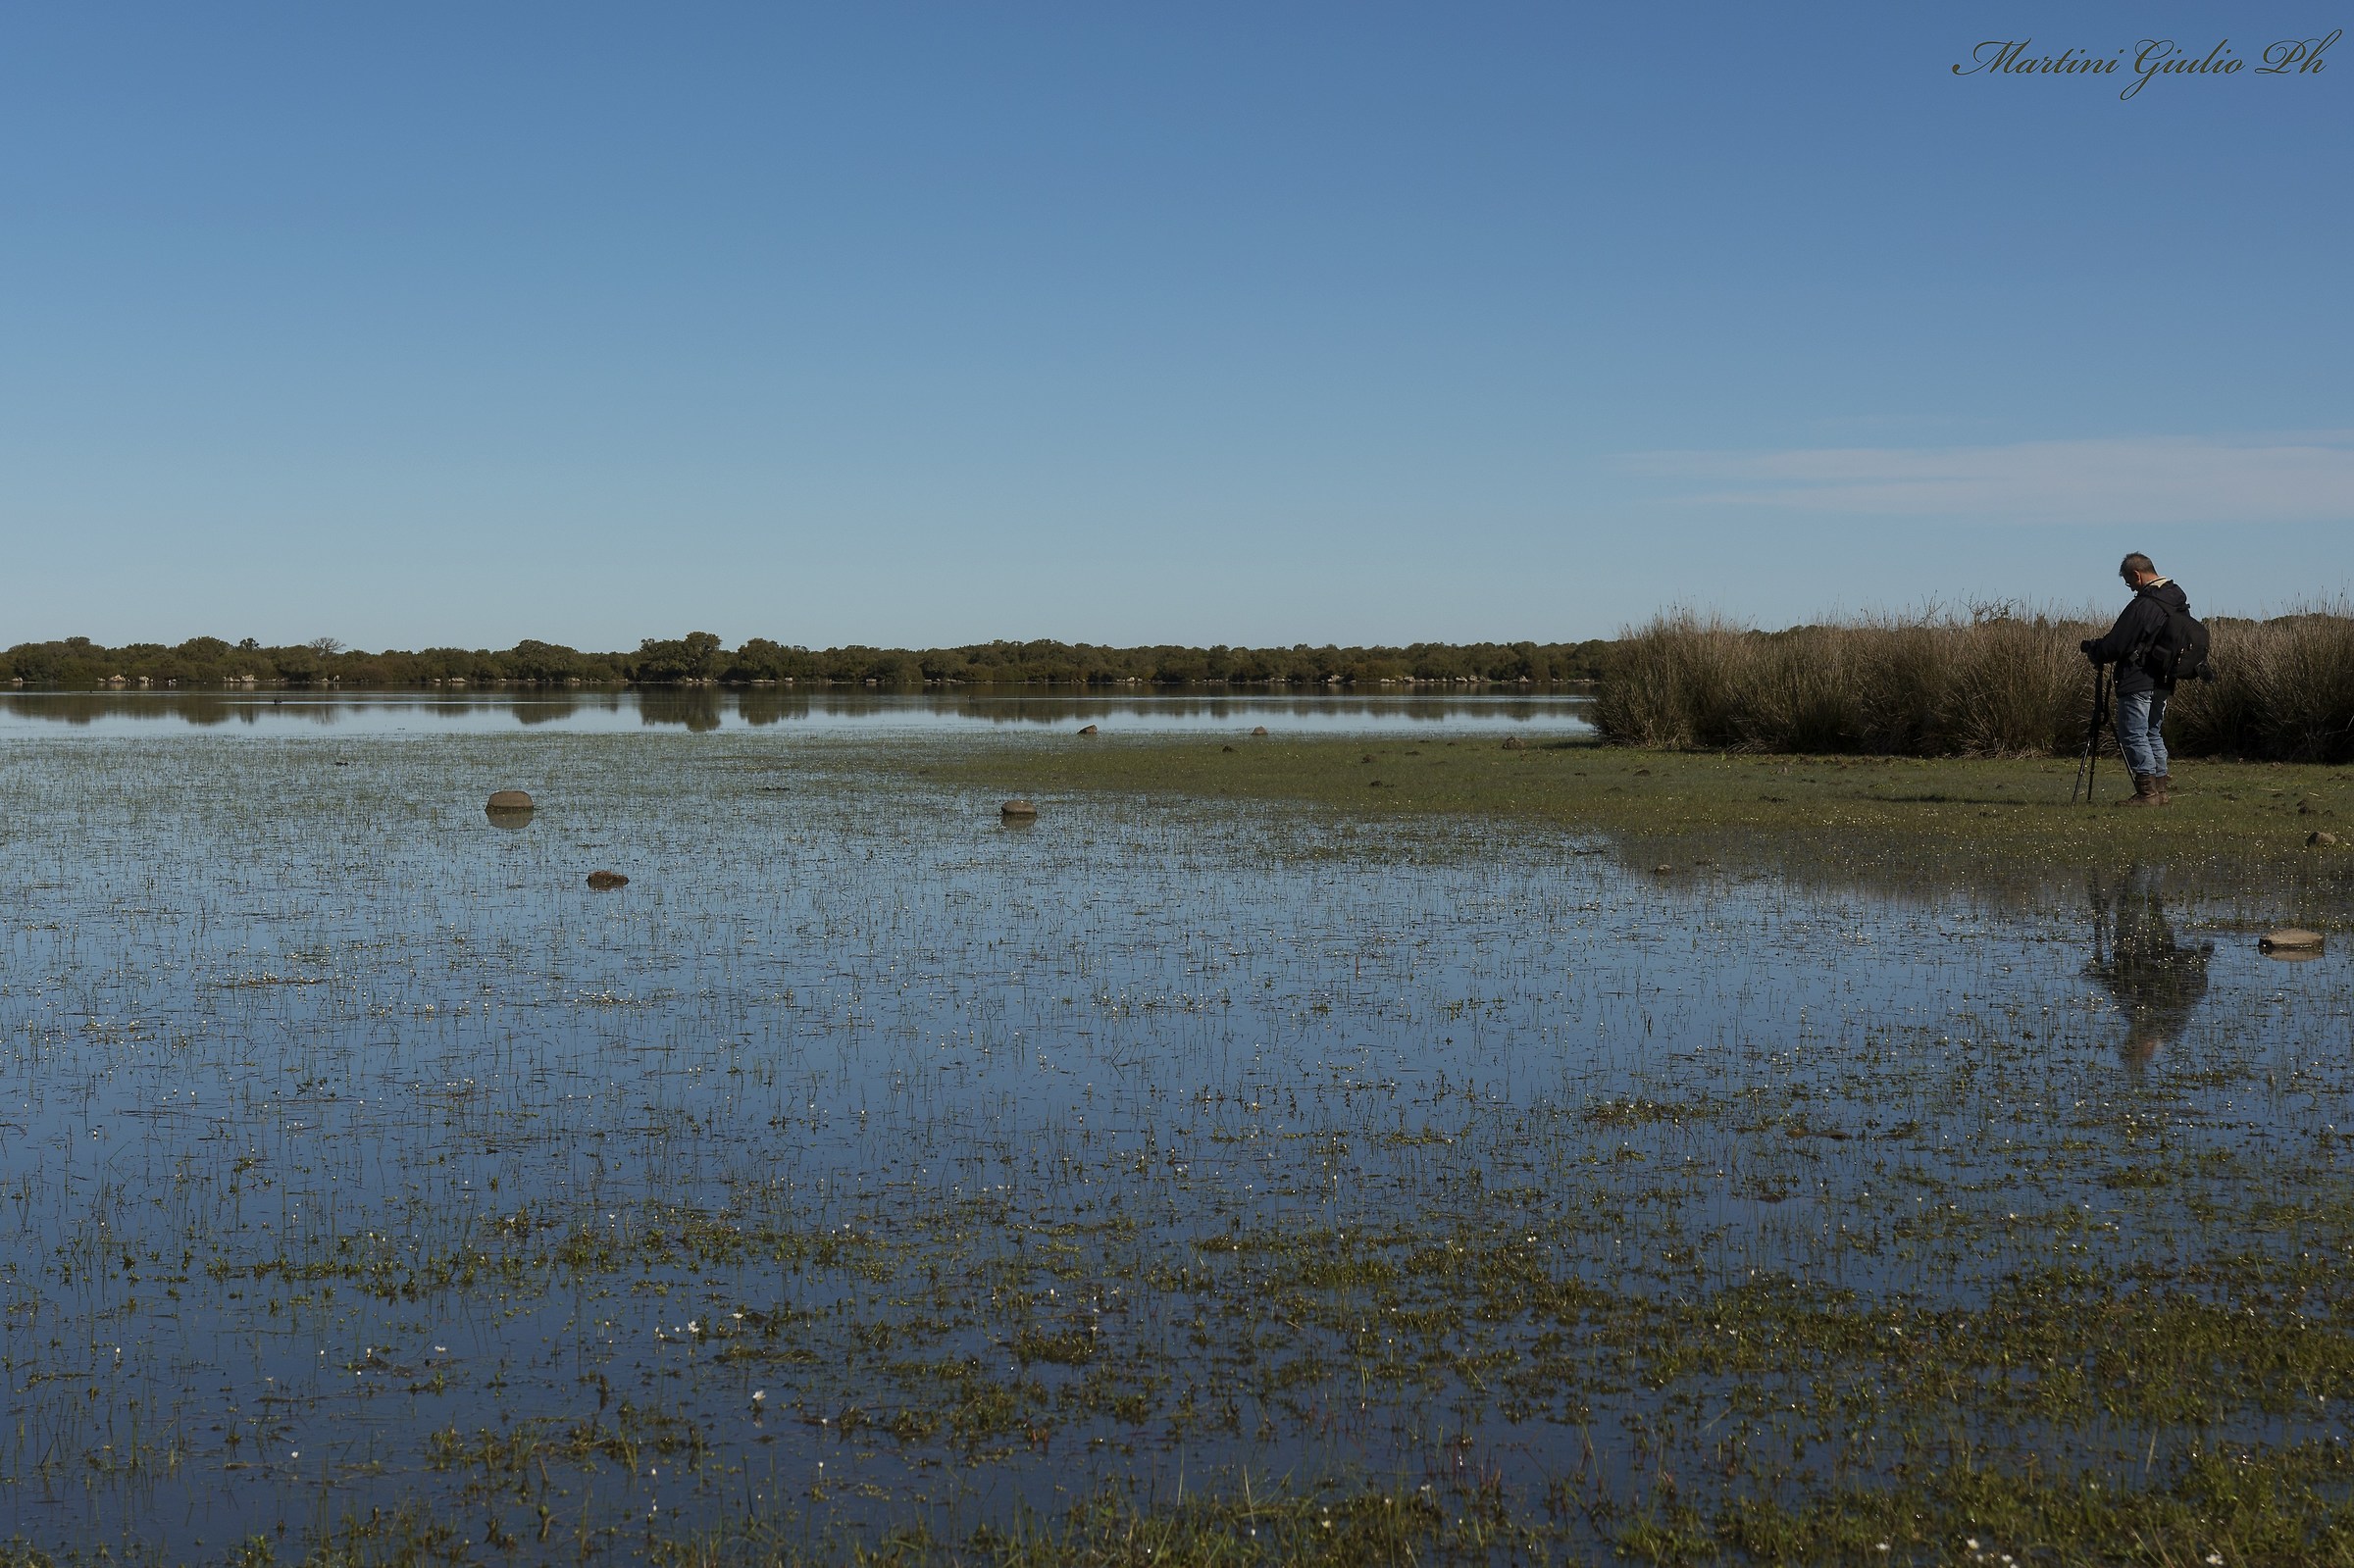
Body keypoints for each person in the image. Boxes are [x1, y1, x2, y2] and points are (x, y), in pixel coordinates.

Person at [2079, 552, 2189, 806]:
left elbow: (2117, 644)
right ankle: (2160, 792)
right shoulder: (2177, 600)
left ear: (2137, 575)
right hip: (2164, 678)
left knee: (2135, 735)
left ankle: (2146, 793)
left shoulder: (2144, 605)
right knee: (2153, 733)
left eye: (2129, 582)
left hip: (2138, 678)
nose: (2130, 587)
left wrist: (2096, 651)